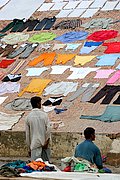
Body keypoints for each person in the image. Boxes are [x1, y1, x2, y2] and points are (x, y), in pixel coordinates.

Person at [25, 96, 51, 161]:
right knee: (46, 166)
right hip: (44, 145)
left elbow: (27, 135)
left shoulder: (28, 117)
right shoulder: (44, 115)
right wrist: (46, 142)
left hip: (34, 145)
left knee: (35, 167)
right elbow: (48, 129)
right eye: (40, 103)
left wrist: (29, 149)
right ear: (38, 104)